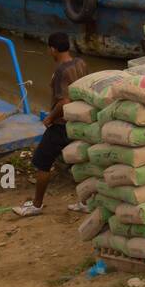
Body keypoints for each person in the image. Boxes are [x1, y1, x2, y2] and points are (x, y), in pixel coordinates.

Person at [13, 32, 87, 217]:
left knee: (42, 162)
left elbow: (64, 101)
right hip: (79, 120)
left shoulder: (62, 70)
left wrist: (50, 118)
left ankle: (36, 205)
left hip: (61, 124)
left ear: (52, 49)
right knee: (80, 161)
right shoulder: (80, 63)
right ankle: (85, 202)